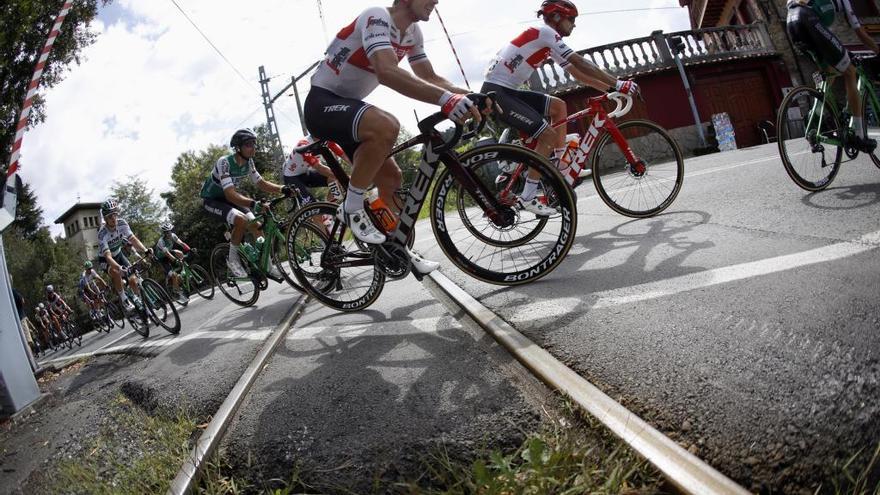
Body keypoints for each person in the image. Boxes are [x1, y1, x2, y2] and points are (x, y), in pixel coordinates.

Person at [303, 0, 489, 275]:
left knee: (391, 178)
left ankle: (399, 249)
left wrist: (467, 96)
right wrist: (447, 101)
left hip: (349, 111)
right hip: (322, 104)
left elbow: (430, 77)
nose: (436, 1)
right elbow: (387, 72)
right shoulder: (376, 16)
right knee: (387, 126)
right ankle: (351, 208)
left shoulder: (413, 32)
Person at [481, 0, 640, 209]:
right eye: (571, 19)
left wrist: (610, 90)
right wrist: (618, 82)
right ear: (557, 17)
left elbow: (577, 74)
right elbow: (581, 62)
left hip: (506, 90)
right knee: (547, 135)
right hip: (498, 93)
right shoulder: (545, 32)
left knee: (559, 106)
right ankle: (528, 196)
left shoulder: (547, 41)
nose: (574, 24)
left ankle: (560, 166)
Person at [787, 0, 880, 152]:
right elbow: (859, 32)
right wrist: (878, 51)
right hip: (808, 19)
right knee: (850, 72)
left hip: (792, 22)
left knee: (830, 71)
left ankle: (814, 119)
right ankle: (860, 135)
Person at [200, 128, 294, 278]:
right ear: (238, 148)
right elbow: (230, 194)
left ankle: (267, 265)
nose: (253, 147)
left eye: (254, 144)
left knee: (256, 226)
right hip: (212, 200)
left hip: (230, 198)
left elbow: (261, 183)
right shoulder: (224, 162)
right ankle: (233, 261)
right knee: (241, 220)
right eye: (249, 144)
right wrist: (254, 204)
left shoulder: (249, 163)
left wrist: (283, 189)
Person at [97, 198, 152, 314]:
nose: (114, 218)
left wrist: (145, 250)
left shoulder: (122, 223)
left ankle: (141, 303)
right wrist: (118, 268)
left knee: (132, 279)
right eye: (110, 216)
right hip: (106, 260)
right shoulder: (102, 234)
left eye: (115, 214)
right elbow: (108, 257)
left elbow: (133, 239)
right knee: (116, 272)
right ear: (105, 219)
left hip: (118, 253)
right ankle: (124, 299)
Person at [283, 136, 346, 206]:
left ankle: (329, 207)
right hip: (292, 178)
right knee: (313, 207)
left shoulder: (326, 139)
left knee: (333, 177)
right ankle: (320, 214)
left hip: (305, 173)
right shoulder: (303, 143)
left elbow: (344, 155)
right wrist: (343, 178)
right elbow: (319, 168)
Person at [153, 222, 191, 300]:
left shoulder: (173, 235)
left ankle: (184, 272)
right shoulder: (161, 242)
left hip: (169, 252)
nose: (169, 233)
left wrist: (190, 249)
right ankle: (177, 292)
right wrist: (176, 261)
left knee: (180, 253)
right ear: (164, 233)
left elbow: (182, 243)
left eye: (170, 231)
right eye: (167, 232)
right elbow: (167, 254)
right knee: (174, 275)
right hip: (162, 258)